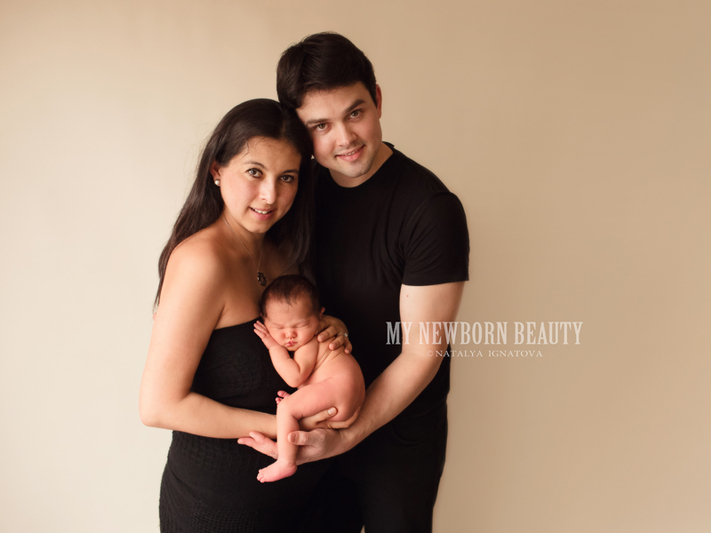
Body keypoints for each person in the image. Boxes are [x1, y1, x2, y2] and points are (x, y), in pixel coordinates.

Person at [238, 33, 470, 532]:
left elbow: (424, 352)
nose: (344, 138)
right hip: (311, 416)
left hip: (399, 436)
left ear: (378, 100)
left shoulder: (431, 210)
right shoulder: (294, 191)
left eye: (355, 113)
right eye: (320, 125)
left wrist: (345, 437)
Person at [139, 98, 354, 532]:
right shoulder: (202, 262)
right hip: (219, 512)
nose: (271, 195)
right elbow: (159, 406)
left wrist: (330, 330)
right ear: (217, 169)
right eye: (254, 172)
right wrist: (283, 425)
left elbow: (290, 356)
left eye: (287, 177)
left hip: (306, 503)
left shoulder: (286, 256)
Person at [253, 275, 365, 482]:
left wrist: (273, 346)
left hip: (339, 386)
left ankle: (286, 462)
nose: (289, 335)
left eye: (301, 326)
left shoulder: (311, 341)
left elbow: (294, 378)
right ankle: (284, 446)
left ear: (320, 316)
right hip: (344, 391)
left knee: (285, 409)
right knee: (290, 408)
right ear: (264, 320)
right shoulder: (308, 338)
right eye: (278, 328)